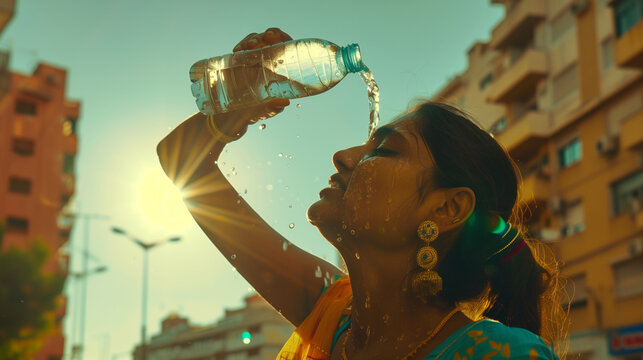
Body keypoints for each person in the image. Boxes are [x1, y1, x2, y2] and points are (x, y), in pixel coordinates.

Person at [157, 28, 569, 360]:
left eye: (384, 150)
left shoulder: (501, 355)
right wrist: (244, 100)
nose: (343, 156)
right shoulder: (332, 312)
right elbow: (182, 162)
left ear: (448, 207)